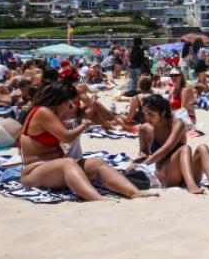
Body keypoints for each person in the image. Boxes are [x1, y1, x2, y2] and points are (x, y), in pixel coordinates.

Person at [19, 80, 152, 200]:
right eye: (69, 103)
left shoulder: (51, 113)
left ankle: (134, 193)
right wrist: (84, 125)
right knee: (68, 163)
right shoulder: (42, 111)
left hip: (55, 169)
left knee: (97, 163)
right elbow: (67, 136)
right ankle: (98, 199)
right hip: (35, 171)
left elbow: (71, 125)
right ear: (62, 100)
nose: (70, 106)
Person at [130, 93, 209, 194]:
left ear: (163, 113)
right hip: (166, 174)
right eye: (144, 114)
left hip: (188, 173)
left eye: (151, 115)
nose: (147, 118)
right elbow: (143, 153)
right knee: (185, 149)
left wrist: (145, 163)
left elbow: (167, 148)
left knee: (203, 148)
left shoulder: (177, 123)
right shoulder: (145, 129)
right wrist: (136, 163)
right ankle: (191, 186)